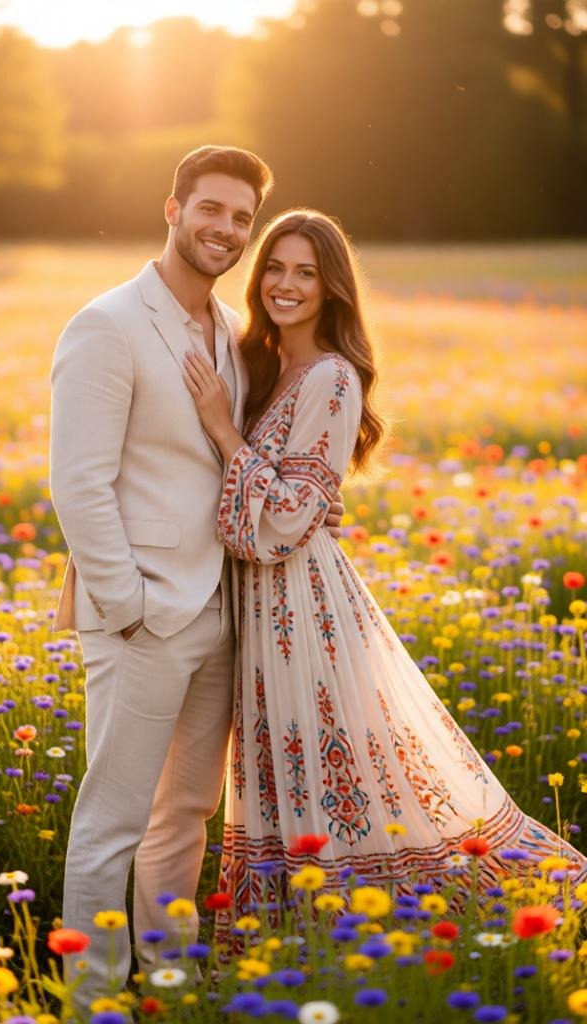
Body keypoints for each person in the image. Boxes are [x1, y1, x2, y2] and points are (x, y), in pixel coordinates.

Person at [182, 208, 587, 924]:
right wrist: (289, 497)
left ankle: (374, 932)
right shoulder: (263, 366)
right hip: (260, 607)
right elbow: (285, 501)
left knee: (344, 777)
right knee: (287, 772)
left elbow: (279, 523)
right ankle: (297, 942)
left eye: (306, 272)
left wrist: (225, 432)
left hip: (300, 610)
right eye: (275, 267)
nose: (285, 283)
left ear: (332, 287)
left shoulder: (332, 379)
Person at [50, 146, 344, 1011]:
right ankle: (94, 1001)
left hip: (220, 614)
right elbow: (79, 483)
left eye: (241, 219)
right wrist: (130, 608)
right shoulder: (106, 324)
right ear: (173, 209)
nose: (226, 229)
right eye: (210, 210)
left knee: (184, 820)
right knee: (111, 825)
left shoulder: (222, 326)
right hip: (142, 618)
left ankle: (168, 985)